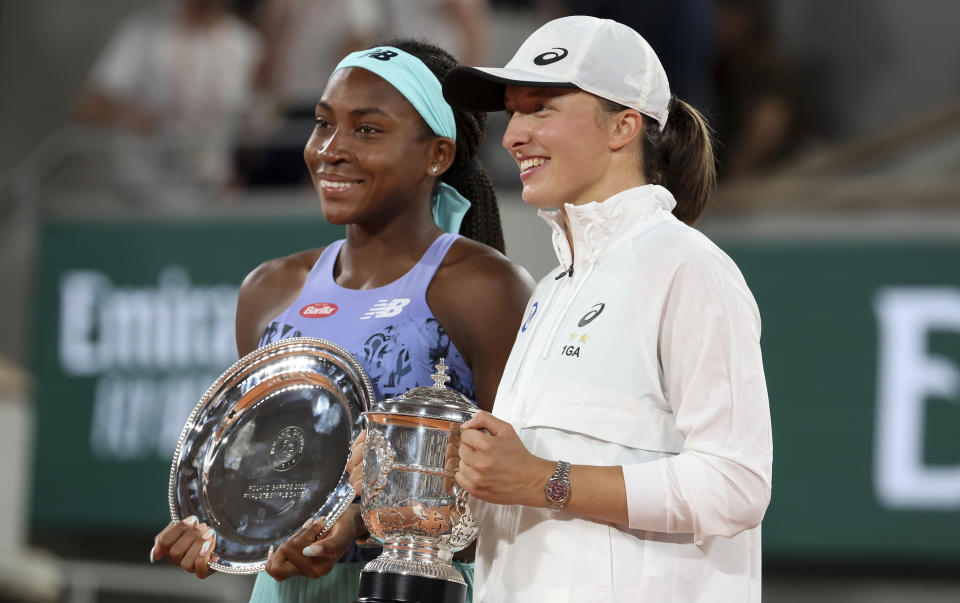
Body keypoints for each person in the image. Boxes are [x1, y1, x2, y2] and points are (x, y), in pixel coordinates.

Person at [149, 39, 534, 601]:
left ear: (437, 155)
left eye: (368, 130)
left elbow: (509, 488)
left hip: (419, 589)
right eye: (322, 123)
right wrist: (227, 531)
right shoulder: (268, 290)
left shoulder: (487, 288)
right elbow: (263, 469)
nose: (329, 149)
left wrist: (365, 525)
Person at [439, 15, 773, 602]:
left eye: (540, 108)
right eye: (513, 112)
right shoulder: (552, 290)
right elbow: (525, 494)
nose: (513, 135)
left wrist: (546, 480)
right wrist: (432, 477)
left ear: (623, 126)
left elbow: (735, 484)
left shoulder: (689, 269)